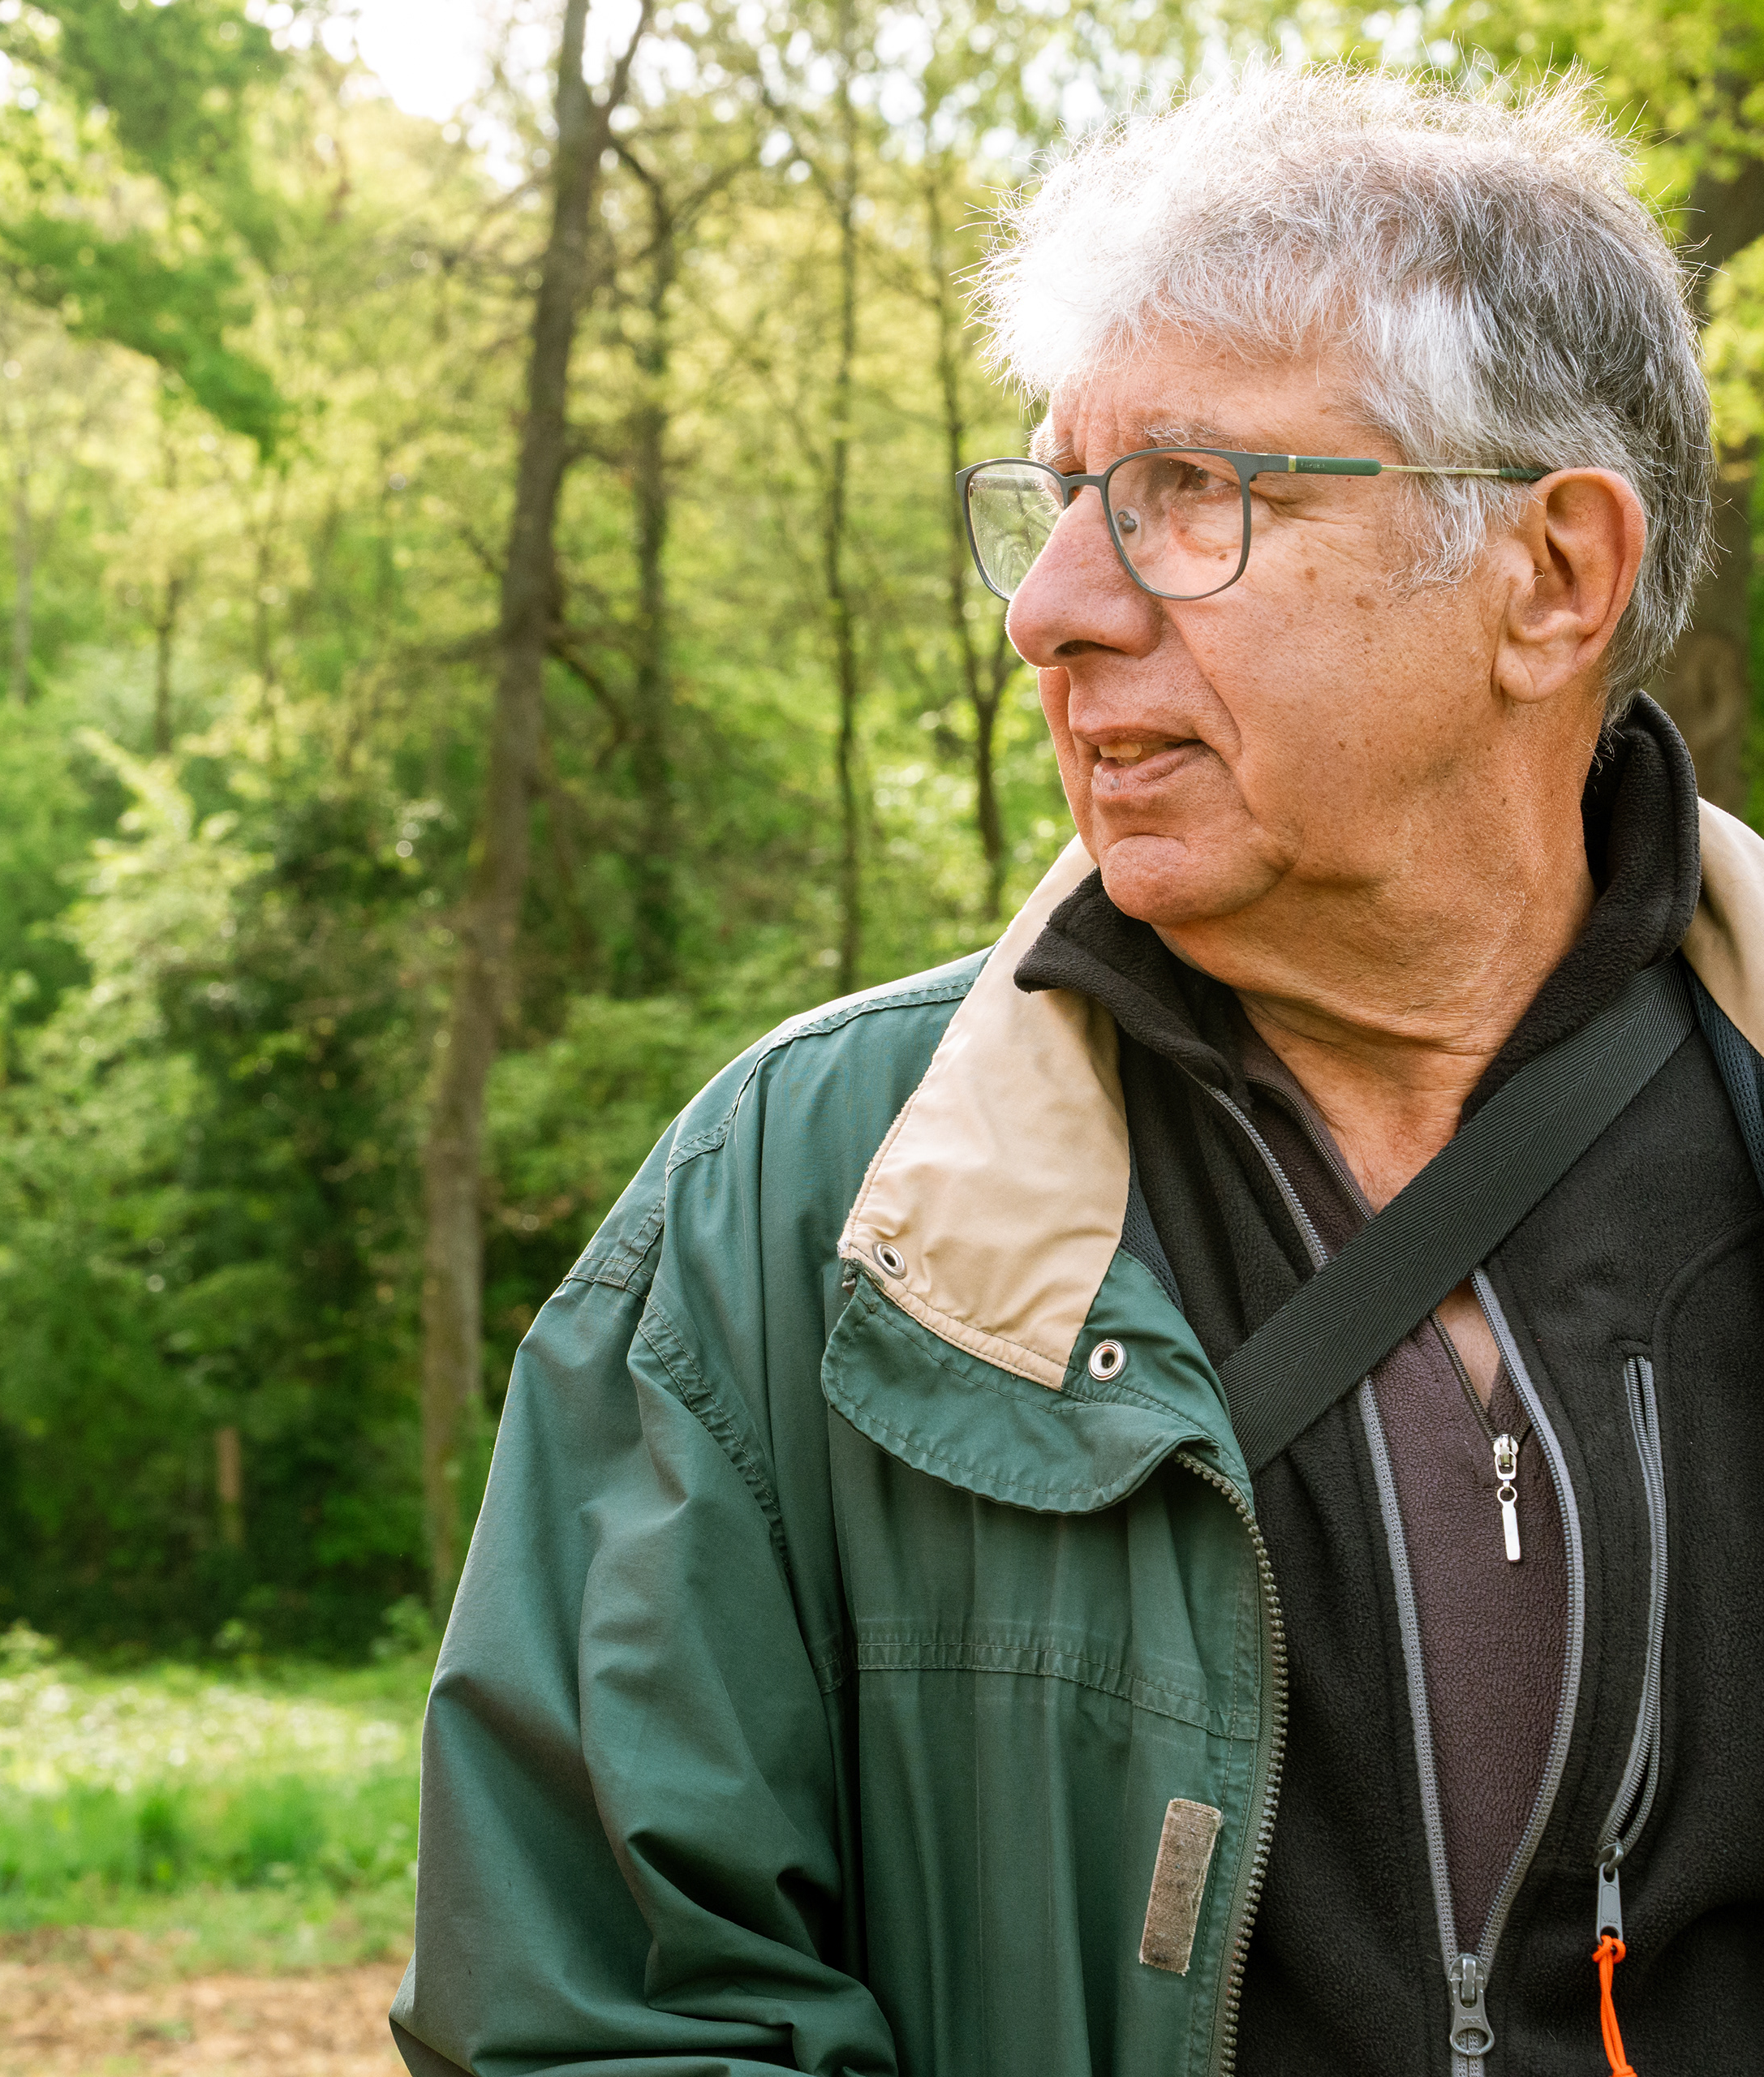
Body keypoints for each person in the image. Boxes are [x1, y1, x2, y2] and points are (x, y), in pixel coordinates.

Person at [394, 68, 1764, 2076]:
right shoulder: (801, 1207)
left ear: (1551, 575)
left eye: (1191, 493)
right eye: (1055, 502)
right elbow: (605, 2013)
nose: (1049, 612)